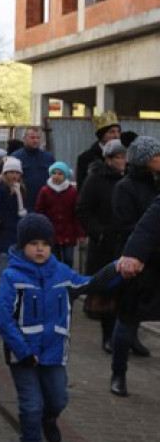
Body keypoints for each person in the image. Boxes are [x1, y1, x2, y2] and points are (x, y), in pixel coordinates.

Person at [0, 214, 105, 442]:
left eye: (45, 244)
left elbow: (90, 283)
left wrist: (118, 270)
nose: (40, 249)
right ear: (22, 245)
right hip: (23, 355)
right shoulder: (11, 276)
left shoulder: (61, 272)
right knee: (31, 404)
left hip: (54, 352)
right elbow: (4, 319)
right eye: (34, 244)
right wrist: (23, 352)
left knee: (58, 399)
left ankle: (49, 419)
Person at [109, 135, 160, 383]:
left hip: (156, 260)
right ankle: (118, 373)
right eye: (157, 155)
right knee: (127, 317)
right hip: (136, 261)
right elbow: (127, 226)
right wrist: (141, 251)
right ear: (145, 160)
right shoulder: (125, 187)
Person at [76, 139, 127, 352]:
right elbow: (83, 210)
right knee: (109, 292)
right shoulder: (96, 179)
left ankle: (128, 338)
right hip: (105, 245)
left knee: (127, 294)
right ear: (108, 159)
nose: (123, 161)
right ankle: (108, 336)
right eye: (118, 157)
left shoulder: (129, 179)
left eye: (124, 156)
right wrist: (99, 233)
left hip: (127, 243)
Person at [113, 190, 160, 396]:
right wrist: (133, 255)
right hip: (147, 268)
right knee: (128, 319)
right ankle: (118, 373)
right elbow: (146, 229)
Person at [34, 162, 82, 268]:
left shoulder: (72, 192)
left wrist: (80, 233)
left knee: (68, 258)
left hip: (68, 231)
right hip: (51, 230)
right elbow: (39, 210)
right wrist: (41, 227)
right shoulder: (45, 190)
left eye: (60, 174)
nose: (56, 176)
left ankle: (68, 278)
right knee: (54, 258)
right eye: (54, 173)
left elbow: (76, 213)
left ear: (65, 176)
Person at [0, 157, 27, 294]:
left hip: (16, 229)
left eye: (17, 173)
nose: (14, 175)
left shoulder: (21, 189)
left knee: (13, 258)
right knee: (3, 258)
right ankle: (1, 283)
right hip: (3, 229)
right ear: (5, 173)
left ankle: (8, 284)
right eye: (11, 172)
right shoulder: (0, 187)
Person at [11, 127, 54, 208]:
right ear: (24, 138)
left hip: (44, 202)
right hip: (23, 202)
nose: (35, 140)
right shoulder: (15, 157)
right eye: (32, 137)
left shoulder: (48, 157)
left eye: (38, 138)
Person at [76, 111, 120, 187]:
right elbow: (82, 187)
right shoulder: (86, 158)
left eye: (118, 132)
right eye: (111, 132)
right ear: (101, 135)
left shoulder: (123, 156)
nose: (116, 136)